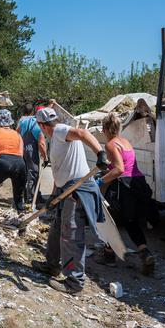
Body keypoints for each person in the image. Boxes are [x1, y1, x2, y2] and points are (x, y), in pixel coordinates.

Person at [31, 107, 109, 295]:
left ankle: (75, 281)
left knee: (71, 235)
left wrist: (100, 153)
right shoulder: (55, 139)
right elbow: (61, 171)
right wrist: (53, 197)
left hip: (77, 190)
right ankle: (51, 265)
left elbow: (82, 132)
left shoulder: (59, 130)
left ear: (42, 125)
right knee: (57, 228)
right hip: (65, 189)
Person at [95, 113, 157, 273]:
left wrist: (100, 182)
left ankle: (109, 257)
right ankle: (145, 253)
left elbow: (119, 169)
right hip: (138, 183)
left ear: (105, 129)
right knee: (130, 222)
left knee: (110, 219)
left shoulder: (111, 145)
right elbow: (124, 163)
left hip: (125, 186)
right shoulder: (125, 142)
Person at [16, 104, 48, 207]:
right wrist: (45, 157)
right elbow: (41, 144)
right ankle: (32, 198)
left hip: (21, 149)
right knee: (33, 172)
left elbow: (16, 133)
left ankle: (27, 196)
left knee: (24, 172)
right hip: (31, 149)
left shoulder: (22, 121)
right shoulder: (38, 123)